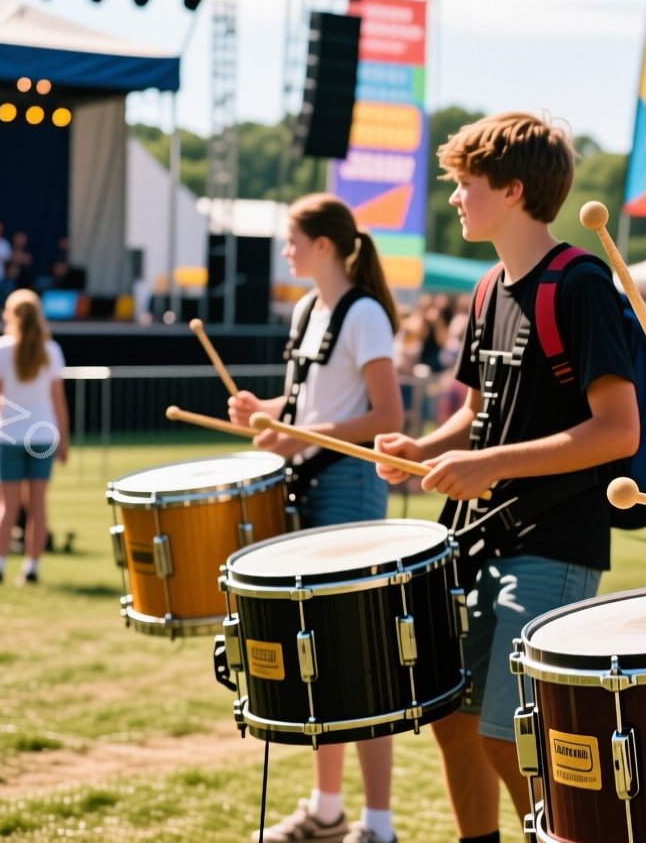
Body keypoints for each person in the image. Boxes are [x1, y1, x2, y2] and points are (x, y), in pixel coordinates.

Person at [374, 111, 638, 843]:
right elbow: (482, 416)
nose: (454, 198)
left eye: (465, 184)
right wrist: (422, 449)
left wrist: (485, 465)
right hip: (483, 541)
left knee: (509, 739)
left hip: (555, 545)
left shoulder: (580, 284)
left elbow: (619, 430)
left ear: (514, 190)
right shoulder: (490, 289)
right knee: (454, 723)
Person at [227, 194, 404, 843]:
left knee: (361, 662)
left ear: (323, 245)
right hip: (312, 484)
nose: (285, 250)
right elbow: (310, 404)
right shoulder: (307, 309)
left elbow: (388, 418)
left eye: (292, 239)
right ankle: (327, 810)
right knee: (318, 660)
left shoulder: (364, 315)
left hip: (351, 491)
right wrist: (268, 413)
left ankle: (378, 825)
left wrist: (303, 434)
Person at [0, 290, 67, 586]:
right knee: (37, 504)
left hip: (7, 436)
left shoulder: (0, 348)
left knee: (7, 504)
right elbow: (58, 401)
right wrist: (64, 440)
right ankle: (31, 567)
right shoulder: (50, 350)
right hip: (42, 436)